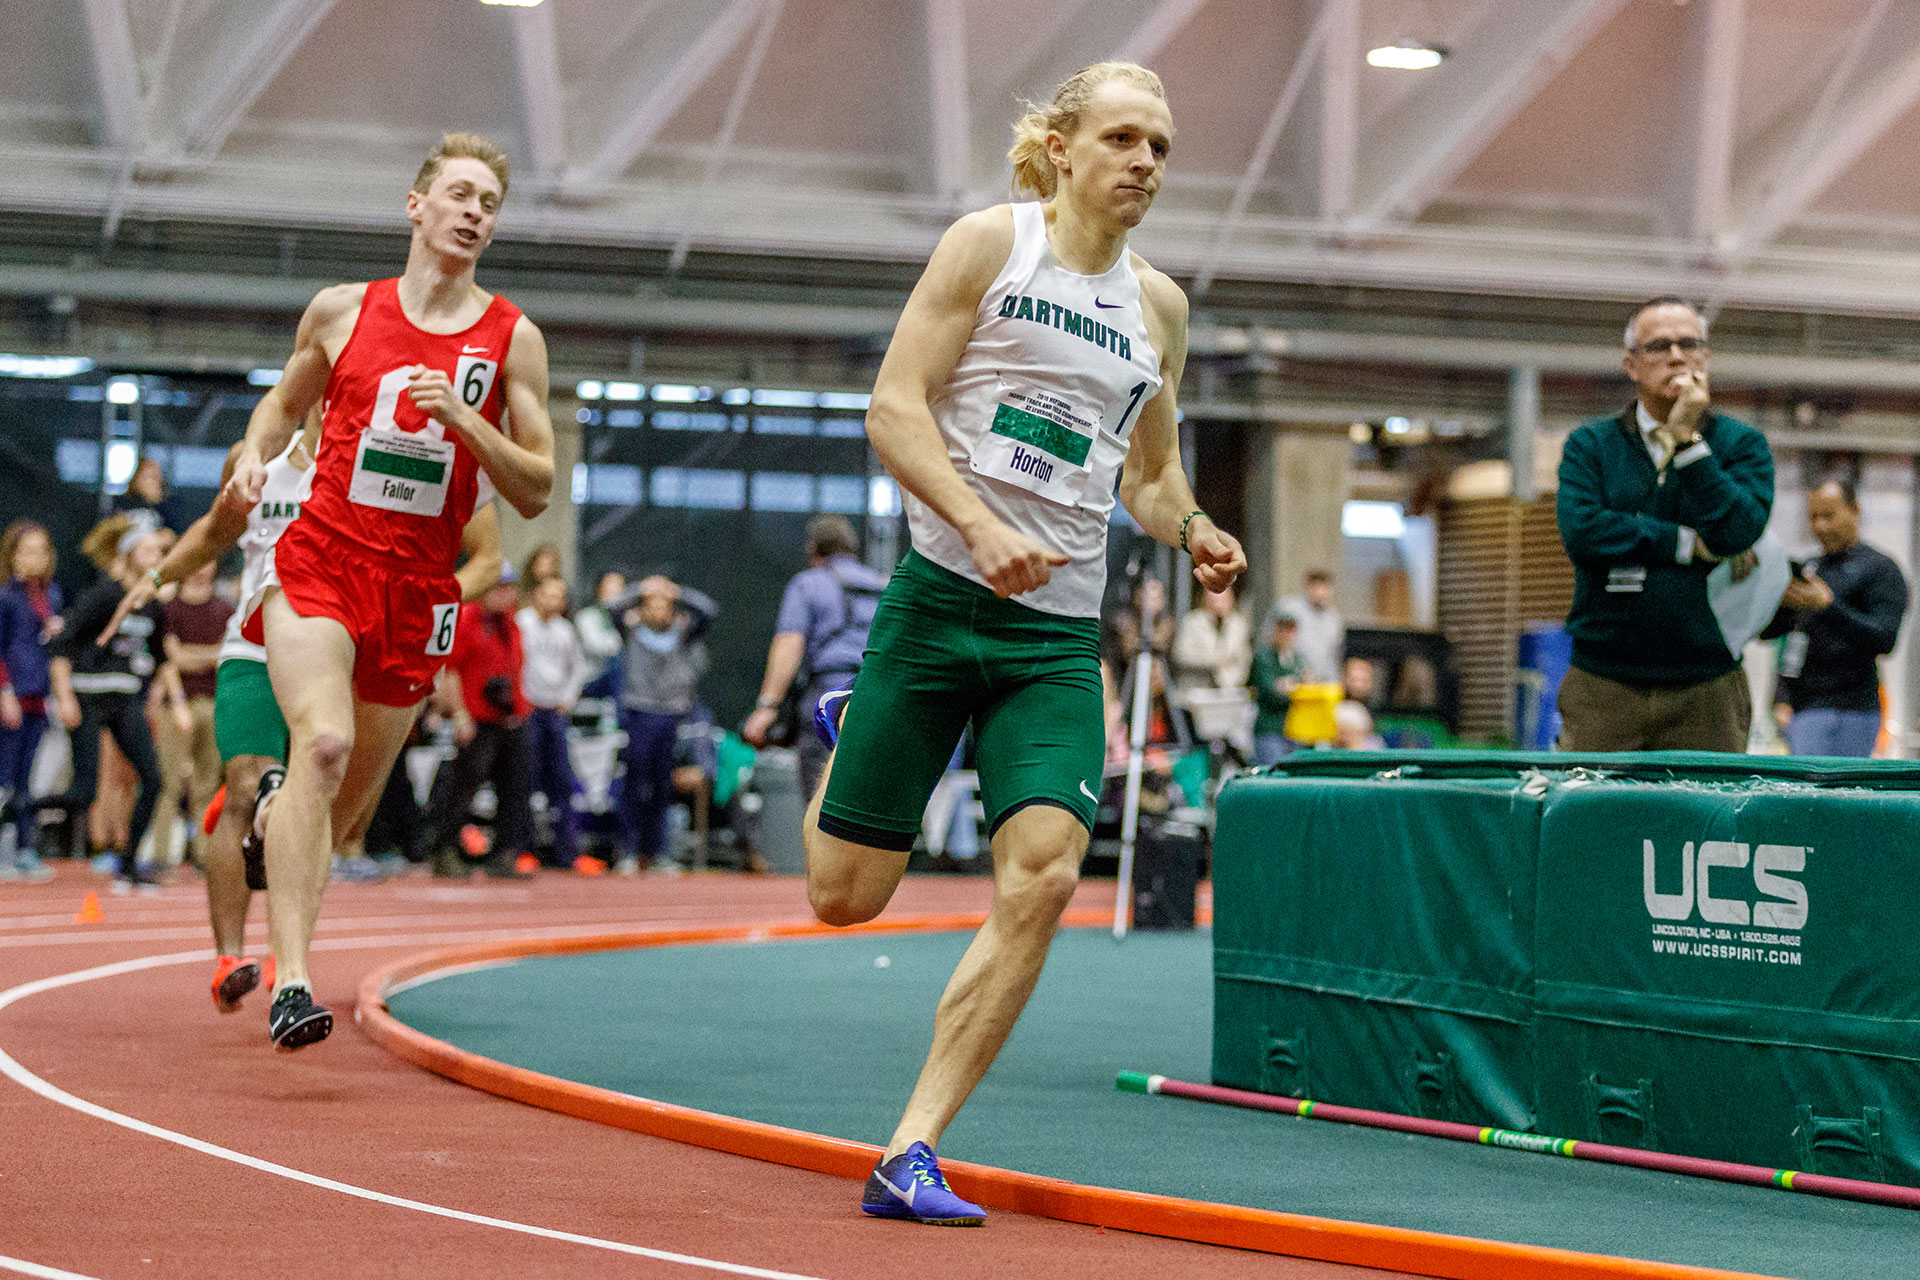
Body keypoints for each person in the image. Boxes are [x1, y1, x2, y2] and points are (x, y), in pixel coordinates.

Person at [803, 61, 1246, 1225]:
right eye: (1122, 138)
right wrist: (981, 523)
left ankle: (911, 1145)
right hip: (939, 603)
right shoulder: (986, 246)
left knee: (1043, 873)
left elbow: (1147, 474)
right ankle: (853, 732)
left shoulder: (1158, 308)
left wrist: (1195, 526)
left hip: (1054, 639)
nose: (1145, 162)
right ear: (1059, 145)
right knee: (844, 897)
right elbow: (895, 406)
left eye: (1160, 144)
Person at [218, 131, 554, 1049]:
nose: (474, 211)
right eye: (459, 193)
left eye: (489, 201)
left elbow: (537, 487)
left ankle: (285, 813)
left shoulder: (510, 337)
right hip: (322, 561)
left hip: (417, 593)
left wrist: (462, 421)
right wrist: (255, 453)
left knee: (347, 815)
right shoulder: (340, 312)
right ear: (417, 206)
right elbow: (284, 405)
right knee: (321, 746)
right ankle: (293, 982)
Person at [102, 414, 505, 1009]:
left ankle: (286, 952)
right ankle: (231, 956)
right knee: (245, 788)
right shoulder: (255, 453)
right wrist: (158, 576)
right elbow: (216, 531)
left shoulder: (390, 457)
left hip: (336, 654)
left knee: (339, 824)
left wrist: (429, 597)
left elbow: (484, 556)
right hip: (255, 645)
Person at [1555, 296, 1774, 752]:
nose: (1677, 356)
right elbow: (1584, 532)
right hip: (1603, 682)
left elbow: (1736, 532)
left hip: (1707, 685)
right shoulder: (1591, 445)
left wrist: (1689, 443)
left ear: (1706, 358)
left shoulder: (1741, 445)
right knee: (1591, 819)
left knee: (1708, 819)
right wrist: (1683, 543)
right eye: (1660, 346)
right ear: (1631, 365)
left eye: (1689, 344)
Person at [47, 517, 189, 891]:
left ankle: (128, 865)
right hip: (88, 695)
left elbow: (161, 658)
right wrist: (64, 697)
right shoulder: (105, 596)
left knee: (154, 780)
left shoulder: (151, 605)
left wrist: (178, 703)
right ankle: (18, 810)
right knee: (84, 792)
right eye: (148, 549)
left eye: (159, 552)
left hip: (124, 698)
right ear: (129, 554)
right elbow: (62, 646)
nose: (156, 556)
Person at [741, 514, 884, 801]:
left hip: (828, 699)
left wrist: (767, 706)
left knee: (822, 803)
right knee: (869, 805)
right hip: (878, 699)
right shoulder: (883, 585)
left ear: (813, 550)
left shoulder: (807, 584)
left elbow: (789, 643)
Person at [1764, 479, 1909, 757]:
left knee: (1841, 794)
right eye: (1813, 517)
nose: (1820, 526)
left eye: (1829, 516)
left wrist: (1827, 606)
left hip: (1854, 709)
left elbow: (1884, 638)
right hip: (1805, 707)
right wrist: (1779, 603)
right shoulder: (1811, 569)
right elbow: (1784, 640)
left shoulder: (1881, 570)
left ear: (1853, 510)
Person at [420, 566, 534, 879]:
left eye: (509, 587)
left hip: (509, 717)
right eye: (498, 587)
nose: (505, 594)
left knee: (514, 790)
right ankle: (445, 850)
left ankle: (504, 854)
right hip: (476, 718)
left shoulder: (511, 624)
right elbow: (451, 670)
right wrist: (459, 716)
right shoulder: (467, 618)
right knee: (462, 789)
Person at [609, 574, 715, 874]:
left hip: (670, 714)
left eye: (664, 603)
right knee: (634, 783)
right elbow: (612, 608)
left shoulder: (683, 633)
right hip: (639, 712)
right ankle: (628, 851)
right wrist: (639, 590)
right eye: (652, 603)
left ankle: (658, 852)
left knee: (661, 786)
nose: (658, 607)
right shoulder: (631, 631)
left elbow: (708, 611)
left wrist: (678, 593)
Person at [153, 561, 231, 871]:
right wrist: (209, 654)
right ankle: (161, 857)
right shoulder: (170, 609)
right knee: (168, 784)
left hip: (213, 703)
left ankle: (204, 855)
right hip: (178, 705)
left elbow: (224, 655)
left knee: (207, 785)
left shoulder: (225, 608)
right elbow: (172, 658)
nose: (203, 568)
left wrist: (190, 655)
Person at [517, 573, 593, 871]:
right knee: (524, 781)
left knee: (562, 783)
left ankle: (568, 854)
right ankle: (522, 850)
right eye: (549, 594)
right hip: (528, 712)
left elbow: (579, 669)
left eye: (559, 596)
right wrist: (520, 699)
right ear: (536, 594)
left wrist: (568, 698)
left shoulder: (565, 631)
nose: (553, 601)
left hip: (555, 713)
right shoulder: (522, 624)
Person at [0, 521, 62, 880]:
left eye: (41, 550)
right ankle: (8, 848)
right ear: (13, 556)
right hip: (13, 696)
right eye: (27, 551)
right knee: (5, 777)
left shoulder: (51, 596)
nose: (35, 558)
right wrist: (5, 692)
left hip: (39, 696)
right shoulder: (7, 597)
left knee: (26, 781)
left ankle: (24, 849)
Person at [1172, 580, 1250, 694]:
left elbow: (1244, 659)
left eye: (1224, 599)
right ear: (1206, 599)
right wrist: (1214, 660)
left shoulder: (1239, 624)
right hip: (1198, 688)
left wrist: (1234, 681)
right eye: (1215, 599)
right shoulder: (1192, 621)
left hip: (1230, 689)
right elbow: (1182, 654)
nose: (1219, 603)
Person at [1248, 609, 1301, 767]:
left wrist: (1290, 687)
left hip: (1293, 729)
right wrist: (1294, 690)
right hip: (1269, 729)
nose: (1286, 634)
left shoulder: (1298, 659)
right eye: (1282, 629)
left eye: (1290, 630)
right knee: (1271, 772)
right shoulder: (1264, 657)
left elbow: (1307, 686)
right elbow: (1270, 692)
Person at [1274, 569, 1343, 684]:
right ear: (1308, 587)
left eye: (1324, 588)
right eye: (1316, 587)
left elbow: (1334, 656)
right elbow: (1271, 641)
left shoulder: (1334, 618)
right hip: (1291, 679)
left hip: (1323, 682)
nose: (1320, 592)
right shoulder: (1289, 608)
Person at [574, 570, 627, 700]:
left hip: (619, 681)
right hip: (591, 680)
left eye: (619, 588)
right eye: (610, 587)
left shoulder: (628, 618)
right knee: (617, 665)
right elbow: (596, 647)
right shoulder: (586, 616)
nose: (615, 593)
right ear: (599, 589)